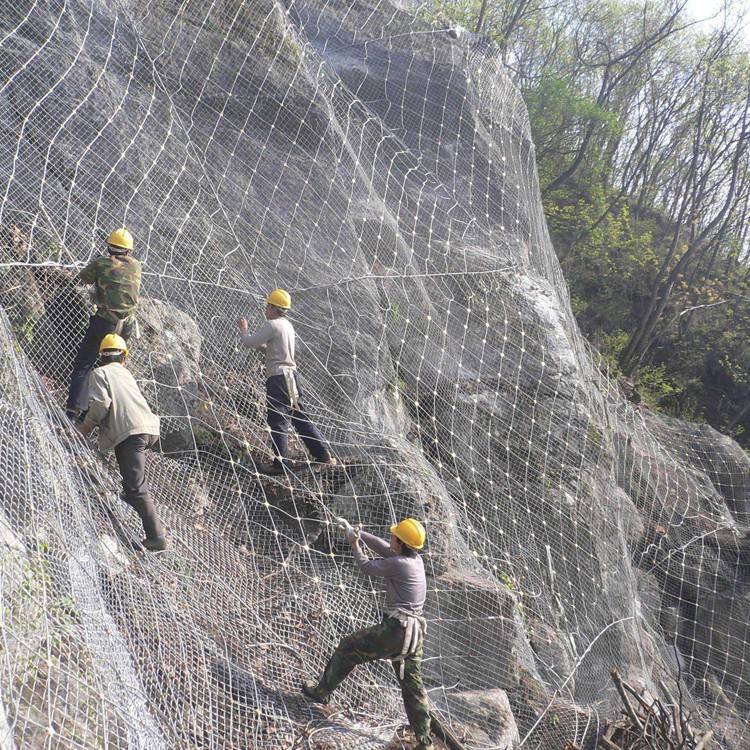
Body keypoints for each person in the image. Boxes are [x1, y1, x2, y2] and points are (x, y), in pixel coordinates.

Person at [302, 518, 433, 750]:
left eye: (395, 536)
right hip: (414, 635)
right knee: (412, 687)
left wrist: (354, 544)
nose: (391, 538)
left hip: (397, 630)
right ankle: (425, 742)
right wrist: (358, 533)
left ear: (401, 543)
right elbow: (385, 548)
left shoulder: (400, 564)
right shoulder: (415, 560)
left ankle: (321, 691)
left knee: (348, 648)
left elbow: (366, 566)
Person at [78, 333, 167, 552]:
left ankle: (157, 538)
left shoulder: (99, 373)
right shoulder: (126, 373)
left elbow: (101, 404)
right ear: (123, 358)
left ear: (102, 357)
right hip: (144, 428)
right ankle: (128, 496)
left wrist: (85, 429)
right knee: (131, 485)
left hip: (130, 433)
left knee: (136, 488)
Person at [236, 288, 335, 474]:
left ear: (274, 307)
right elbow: (273, 350)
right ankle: (323, 455)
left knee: (278, 420)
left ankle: (281, 464)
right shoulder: (287, 325)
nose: (265, 309)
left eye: (267, 305)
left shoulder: (272, 325)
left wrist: (244, 330)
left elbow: (248, 342)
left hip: (278, 379)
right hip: (291, 377)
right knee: (300, 417)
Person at [66, 227, 141, 420]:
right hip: (126, 326)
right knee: (111, 370)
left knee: (85, 364)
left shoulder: (101, 263)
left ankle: (73, 412)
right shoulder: (136, 265)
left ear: (109, 246)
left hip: (104, 323)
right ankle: (97, 417)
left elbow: (81, 279)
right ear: (128, 251)